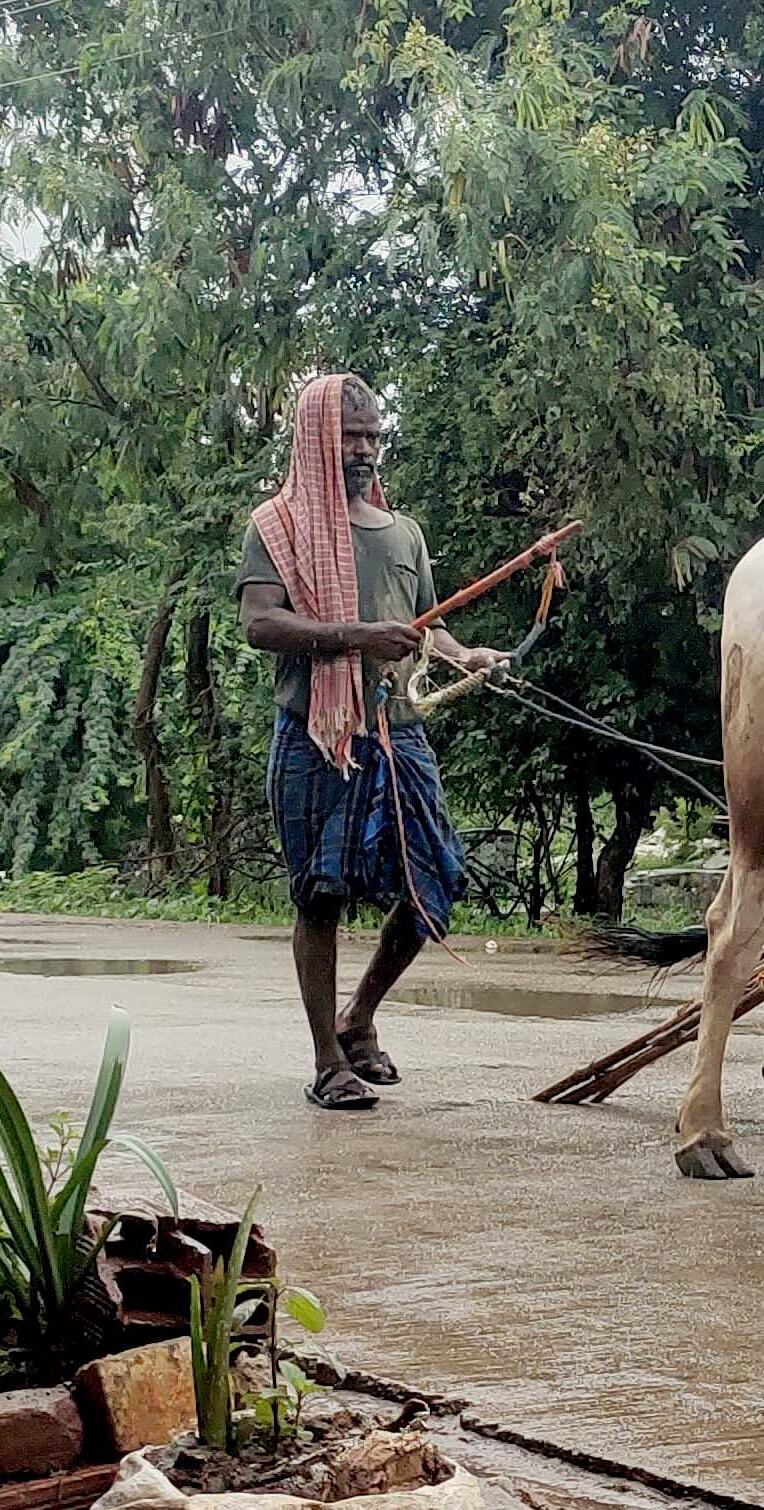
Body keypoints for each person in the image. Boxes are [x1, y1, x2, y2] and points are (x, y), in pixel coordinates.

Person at [239, 373, 505, 1110]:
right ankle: (328, 1061)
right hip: (315, 734)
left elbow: (426, 626)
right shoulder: (278, 526)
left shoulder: (404, 532)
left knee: (434, 880)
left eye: (373, 435)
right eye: (349, 435)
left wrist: (464, 655)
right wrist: (354, 638)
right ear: (315, 438)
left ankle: (359, 1018)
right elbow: (259, 623)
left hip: (398, 733)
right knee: (318, 895)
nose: (363, 449)